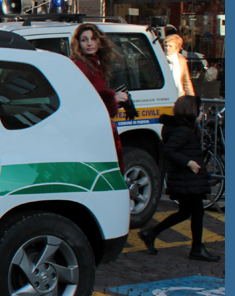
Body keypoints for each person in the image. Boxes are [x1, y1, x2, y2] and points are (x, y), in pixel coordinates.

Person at [138, 96, 220, 262]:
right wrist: (189, 163)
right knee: (196, 212)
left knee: (186, 212)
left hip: (187, 178)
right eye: (200, 109)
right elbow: (170, 151)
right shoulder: (183, 130)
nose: (202, 113)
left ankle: (151, 233)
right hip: (187, 178)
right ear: (192, 110)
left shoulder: (181, 127)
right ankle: (197, 248)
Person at [70, 23, 128, 171]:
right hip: (88, 128)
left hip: (96, 124)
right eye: (84, 40)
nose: (89, 43)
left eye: (93, 38)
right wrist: (112, 99)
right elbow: (79, 100)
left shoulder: (95, 62)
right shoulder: (80, 65)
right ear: (78, 43)